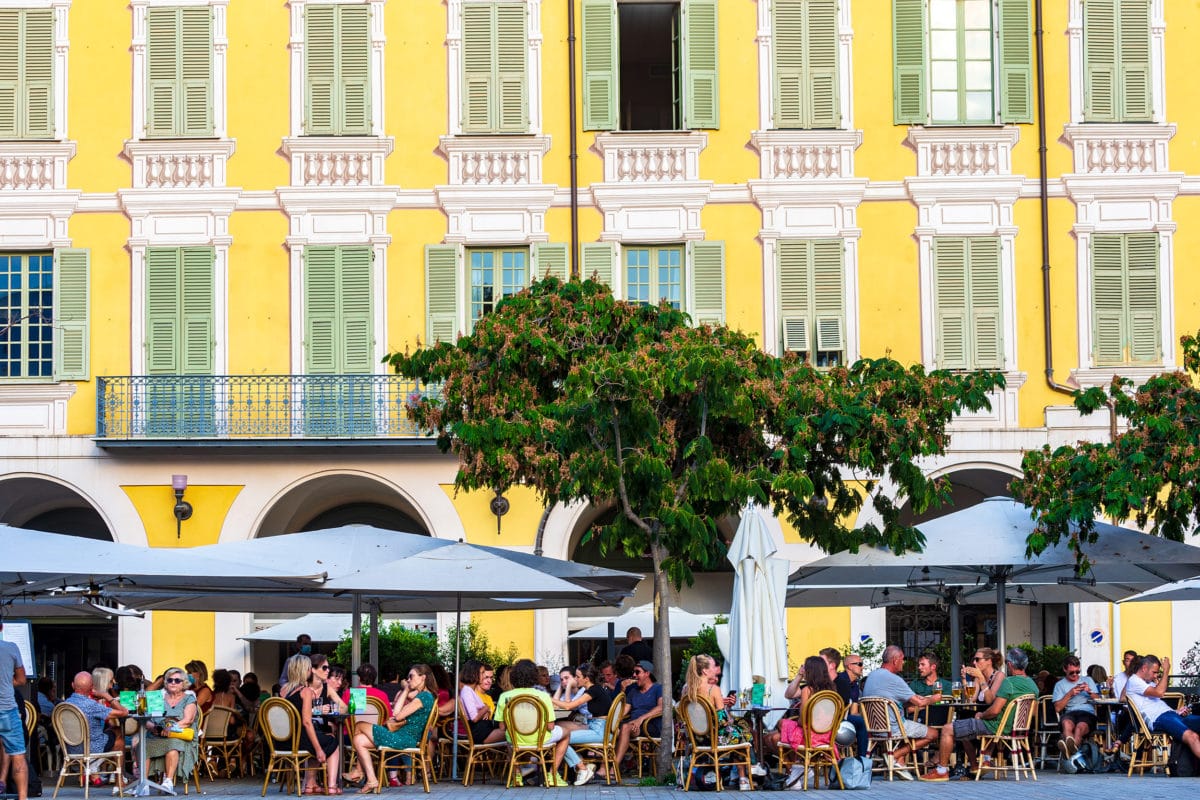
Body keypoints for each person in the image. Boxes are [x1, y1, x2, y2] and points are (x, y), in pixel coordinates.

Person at [921, 647, 1038, 781]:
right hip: (1016, 729)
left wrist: (981, 715)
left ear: (1009, 664)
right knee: (963, 724)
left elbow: (994, 710)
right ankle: (974, 765)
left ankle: (941, 770)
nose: (974, 662)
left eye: (977, 659)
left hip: (995, 726)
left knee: (948, 728)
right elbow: (1033, 713)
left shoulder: (1008, 682)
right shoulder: (1032, 685)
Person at [351, 664, 435, 793]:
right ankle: (371, 780)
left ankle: (358, 771)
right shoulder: (423, 696)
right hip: (404, 736)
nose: (408, 679)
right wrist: (406, 690)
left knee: (359, 724)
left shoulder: (423, 697)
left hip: (404, 738)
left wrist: (406, 690)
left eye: (411, 676)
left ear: (422, 677)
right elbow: (396, 713)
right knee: (358, 740)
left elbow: (397, 715)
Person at [861, 645, 940, 779]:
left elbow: (891, 699)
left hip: (873, 728)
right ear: (895, 660)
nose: (903, 663)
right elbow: (920, 703)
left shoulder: (872, 676)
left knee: (912, 726)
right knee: (933, 733)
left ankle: (898, 762)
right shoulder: (895, 679)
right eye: (902, 659)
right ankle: (894, 755)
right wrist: (934, 698)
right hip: (894, 728)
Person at [495, 659, 576, 787]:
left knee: (509, 740)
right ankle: (552, 774)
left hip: (516, 740)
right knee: (566, 733)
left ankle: (516, 776)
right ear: (534, 676)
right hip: (540, 739)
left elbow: (502, 727)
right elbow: (550, 726)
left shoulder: (505, 697)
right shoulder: (543, 696)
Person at [679, 654, 752, 791]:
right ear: (705, 671)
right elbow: (723, 721)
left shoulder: (686, 690)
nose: (715, 670)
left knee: (738, 729)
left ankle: (740, 775)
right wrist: (730, 717)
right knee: (743, 730)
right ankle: (744, 776)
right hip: (715, 740)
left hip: (697, 739)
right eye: (713, 666)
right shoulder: (714, 690)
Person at [280, 655, 340, 795]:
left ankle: (310, 785)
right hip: (299, 740)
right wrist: (319, 749)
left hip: (283, 741)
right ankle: (331, 786)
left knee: (317, 738)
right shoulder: (305, 691)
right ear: (305, 670)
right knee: (331, 741)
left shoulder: (284, 691)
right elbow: (307, 722)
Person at [1124, 654, 1200, 762]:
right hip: (1158, 719)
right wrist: (1165, 671)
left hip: (1170, 715)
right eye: (1154, 672)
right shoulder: (1134, 681)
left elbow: (1157, 701)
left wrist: (1176, 711)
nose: (1155, 676)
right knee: (1192, 736)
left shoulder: (1148, 683)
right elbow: (1159, 693)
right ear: (1144, 668)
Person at [779, 656, 838, 788]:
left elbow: (804, 717)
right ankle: (798, 767)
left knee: (782, 724)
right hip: (827, 736)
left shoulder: (807, 690)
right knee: (785, 727)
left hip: (810, 737)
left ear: (809, 671)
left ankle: (797, 768)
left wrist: (798, 723)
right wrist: (799, 676)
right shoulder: (832, 690)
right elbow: (788, 694)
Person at [144, 666, 200, 794]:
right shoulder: (159, 697)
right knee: (143, 745)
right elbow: (147, 718)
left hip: (180, 735)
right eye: (170, 680)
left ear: (184, 683)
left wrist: (170, 728)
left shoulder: (189, 698)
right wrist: (153, 727)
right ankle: (144, 783)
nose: (173, 683)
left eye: (177, 680)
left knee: (172, 744)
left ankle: (168, 782)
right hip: (158, 735)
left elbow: (188, 720)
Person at [553, 663, 612, 785]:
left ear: (586, 678)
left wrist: (548, 698)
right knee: (562, 733)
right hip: (598, 727)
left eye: (578, 676)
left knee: (561, 739)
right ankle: (583, 766)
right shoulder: (593, 689)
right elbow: (569, 703)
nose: (575, 679)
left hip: (600, 731)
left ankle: (583, 769)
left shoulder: (594, 690)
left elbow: (569, 706)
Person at [610, 660, 662, 777]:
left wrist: (641, 719)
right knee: (611, 729)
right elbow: (622, 713)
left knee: (625, 727)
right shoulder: (633, 691)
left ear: (647, 673)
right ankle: (603, 766)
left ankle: (614, 768)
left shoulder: (658, 688)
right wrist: (622, 691)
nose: (634, 675)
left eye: (637, 672)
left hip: (650, 725)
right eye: (633, 672)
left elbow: (661, 707)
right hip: (632, 724)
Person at [1053, 655, 1100, 773]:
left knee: (1079, 728)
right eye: (1071, 673)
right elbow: (1058, 708)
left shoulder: (1088, 680)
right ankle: (1072, 751)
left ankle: (1068, 752)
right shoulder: (1060, 685)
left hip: (1087, 712)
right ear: (1065, 670)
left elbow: (1099, 702)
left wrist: (1089, 691)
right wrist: (1069, 694)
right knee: (1066, 723)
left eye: (1077, 672)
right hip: (1071, 712)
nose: (1075, 675)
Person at [0, 627, 28, 800]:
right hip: (7, 709)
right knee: (17, 754)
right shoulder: (11, 648)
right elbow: (21, 679)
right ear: (1, 627)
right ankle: (23, 797)